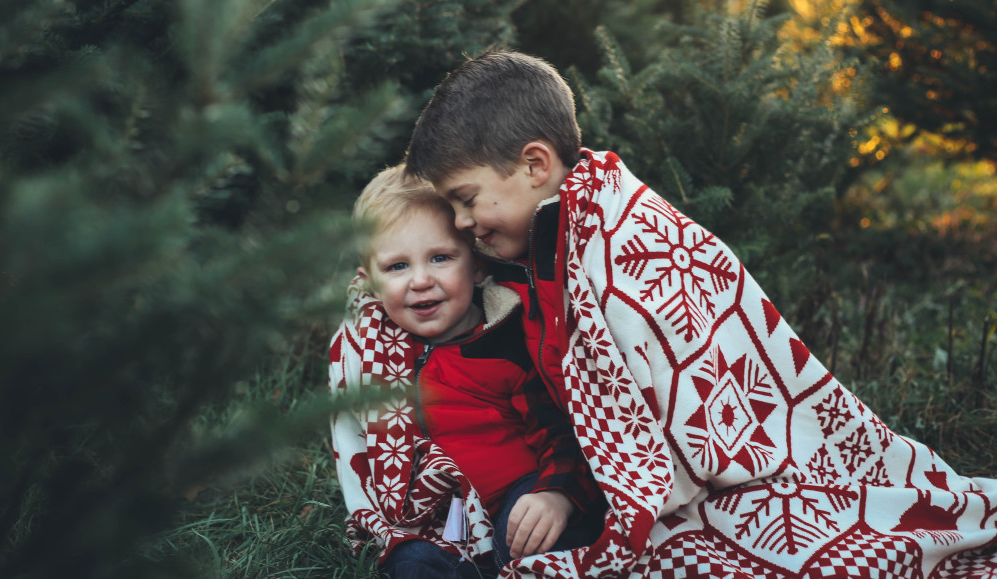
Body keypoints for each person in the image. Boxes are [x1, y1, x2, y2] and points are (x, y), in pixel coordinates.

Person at [404, 50, 997, 578]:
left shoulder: (624, 242)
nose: (460, 224)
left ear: (535, 166)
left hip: (731, 479)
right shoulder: (542, 242)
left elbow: (682, 405)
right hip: (579, 478)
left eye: (466, 200)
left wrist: (589, 493)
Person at [328, 165, 603, 579]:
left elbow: (563, 431)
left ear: (476, 267)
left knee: (537, 536)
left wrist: (556, 495)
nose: (421, 280)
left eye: (440, 258)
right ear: (370, 285)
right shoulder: (373, 355)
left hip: (517, 497)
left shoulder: (508, 338)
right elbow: (359, 441)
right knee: (410, 563)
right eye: (397, 267)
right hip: (438, 523)